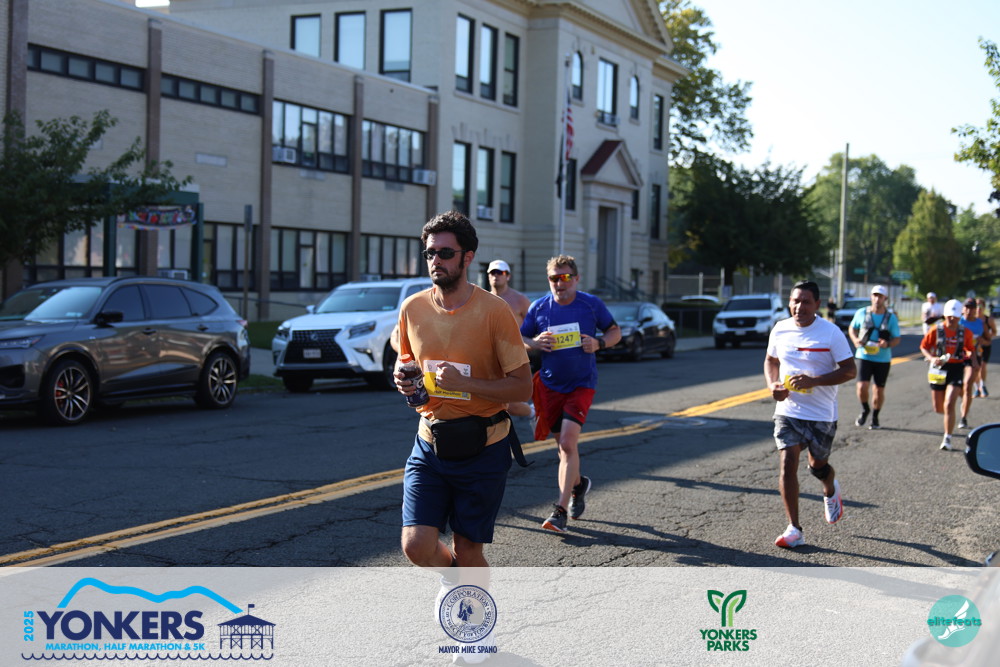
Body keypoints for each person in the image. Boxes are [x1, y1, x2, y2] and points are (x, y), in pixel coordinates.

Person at [394, 210, 532, 574]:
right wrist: (403, 378)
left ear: (467, 257)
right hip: (430, 442)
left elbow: (523, 386)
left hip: (483, 447)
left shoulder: (495, 311)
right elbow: (406, 360)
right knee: (416, 546)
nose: (435, 260)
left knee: (468, 551)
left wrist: (465, 384)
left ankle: (470, 603)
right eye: (430, 253)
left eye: (445, 253)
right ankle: (456, 581)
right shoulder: (412, 308)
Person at [520, 255, 621, 533]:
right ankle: (578, 485)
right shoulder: (539, 307)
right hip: (550, 385)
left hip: (581, 384)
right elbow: (521, 338)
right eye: (554, 278)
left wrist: (599, 343)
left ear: (576, 279)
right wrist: (534, 343)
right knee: (564, 448)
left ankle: (560, 511)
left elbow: (615, 332)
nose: (559, 283)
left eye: (565, 277)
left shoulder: (590, 304)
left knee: (566, 443)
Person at [764, 280, 856, 549]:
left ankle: (830, 488)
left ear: (817, 304)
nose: (799, 307)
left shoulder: (831, 333)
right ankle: (794, 528)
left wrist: (814, 381)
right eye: (795, 301)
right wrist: (773, 385)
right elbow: (771, 360)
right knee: (787, 462)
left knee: (818, 466)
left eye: (805, 302)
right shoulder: (780, 329)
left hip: (821, 413)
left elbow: (850, 371)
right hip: (789, 410)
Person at [919, 299, 977, 451]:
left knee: (949, 403)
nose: (952, 319)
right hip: (938, 369)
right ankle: (949, 416)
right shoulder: (936, 330)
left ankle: (947, 438)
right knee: (939, 408)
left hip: (956, 368)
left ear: (959, 316)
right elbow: (924, 347)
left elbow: (970, 348)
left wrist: (970, 355)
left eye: (955, 316)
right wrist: (932, 358)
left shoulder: (965, 332)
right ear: (945, 315)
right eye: (949, 315)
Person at [847, 285, 901, 430]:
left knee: (878, 390)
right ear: (871, 297)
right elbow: (852, 328)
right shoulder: (861, 313)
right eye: (875, 295)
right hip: (864, 355)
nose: (877, 299)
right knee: (862, 387)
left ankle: (875, 416)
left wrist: (887, 344)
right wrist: (855, 340)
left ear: (885, 299)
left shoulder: (891, 317)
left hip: (882, 358)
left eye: (880, 296)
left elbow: (897, 338)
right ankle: (865, 409)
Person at [487, 259, 535, 419]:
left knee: (510, 404)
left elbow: (535, 328)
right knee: (489, 401)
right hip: (489, 359)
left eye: (500, 272)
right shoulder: (482, 300)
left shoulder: (520, 300)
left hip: (515, 359)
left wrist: (531, 344)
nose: (496, 276)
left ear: (508, 276)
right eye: (493, 272)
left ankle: (534, 413)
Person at [958, 299, 985, 430]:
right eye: (966, 307)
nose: (969, 310)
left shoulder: (980, 323)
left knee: (968, 384)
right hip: (957, 357)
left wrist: (981, 340)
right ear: (963, 309)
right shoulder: (958, 321)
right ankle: (964, 400)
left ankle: (963, 417)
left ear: (975, 309)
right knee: (959, 388)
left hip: (974, 357)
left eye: (972, 308)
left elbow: (987, 339)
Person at [974, 297, 995, 398]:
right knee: (975, 367)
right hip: (974, 347)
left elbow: (994, 331)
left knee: (982, 365)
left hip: (985, 345)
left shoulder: (988, 320)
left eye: (981, 306)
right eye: (976, 306)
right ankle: (976, 388)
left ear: (984, 307)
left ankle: (983, 386)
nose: (978, 308)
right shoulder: (971, 319)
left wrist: (987, 337)